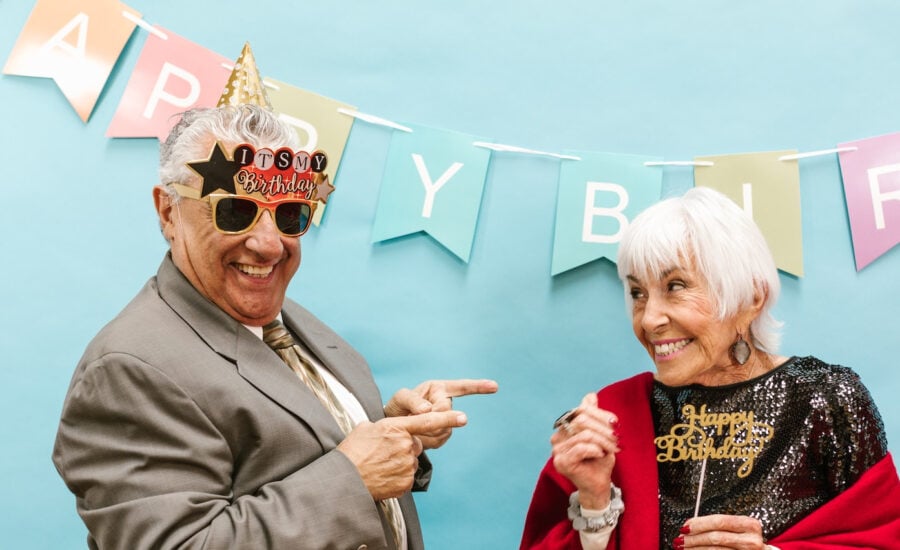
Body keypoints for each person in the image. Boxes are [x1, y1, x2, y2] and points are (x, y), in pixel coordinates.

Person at [52, 104, 498, 550]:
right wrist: (353, 479)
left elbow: (292, 452)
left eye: (288, 214)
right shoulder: (128, 369)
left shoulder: (292, 323)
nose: (269, 245)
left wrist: (391, 433)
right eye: (235, 211)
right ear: (168, 212)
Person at [520, 186, 899, 549]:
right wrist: (594, 499)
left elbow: (884, 538)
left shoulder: (826, 396)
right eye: (638, 293)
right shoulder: (611, 414)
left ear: (751, 296)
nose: (649, 319)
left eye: (676, 286)